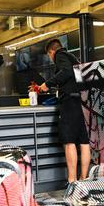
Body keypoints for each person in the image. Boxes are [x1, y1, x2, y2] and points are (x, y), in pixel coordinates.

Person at [38, 39, 90, 185]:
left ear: (51, 52)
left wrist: (47, 84)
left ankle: (72, 181)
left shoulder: (60, 56)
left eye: (49, 56)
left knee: (69, 141)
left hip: (70, 102)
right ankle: (84, 180)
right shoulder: (73, 57)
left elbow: (66, 71)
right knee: (84, 141)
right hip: (82, 100)